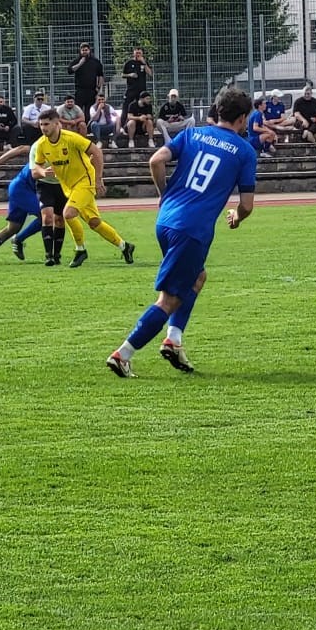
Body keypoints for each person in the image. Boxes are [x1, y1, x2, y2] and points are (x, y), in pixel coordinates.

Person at [107, 88, 259, 378]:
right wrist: (236, 216)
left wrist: (164, 193)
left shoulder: (193, 135)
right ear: (242, 118)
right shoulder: (244, 151)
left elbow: (155, 160)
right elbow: (247, 205)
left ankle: (173, 340)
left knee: (197, 277)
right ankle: (123, 353)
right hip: (193, 229)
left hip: (165, 221)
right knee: (169, 299)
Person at [31, 108, 134, 269]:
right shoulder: (42, 145)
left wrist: (98, 179)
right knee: (94, 222)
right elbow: (35, 169)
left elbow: (97, 152)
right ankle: (124, 246)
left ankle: (80, 250)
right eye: (41, 124)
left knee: (68, 214)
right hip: (69, 187)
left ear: (57, 124)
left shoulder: (71, 138)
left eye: (46, 124)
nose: (43, 128)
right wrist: (43, 171)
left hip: (85, 181)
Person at [68, 41, 105, 109]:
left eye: (86, 50)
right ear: (80, 51)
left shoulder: (95, 61)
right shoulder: (77, 60)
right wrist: (80, 64)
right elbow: (70, 70)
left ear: (89, 50)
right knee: (78, 109)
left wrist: (99, 88)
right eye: (83, 50)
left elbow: (100, 75)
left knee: (90, 110)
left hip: (92, 90)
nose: (84, 52)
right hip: (80, 90)